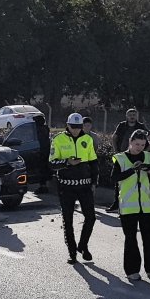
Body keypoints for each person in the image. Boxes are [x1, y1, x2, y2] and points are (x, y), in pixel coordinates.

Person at [112, 129, 150, 281]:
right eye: (136, 144)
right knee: (131, 239)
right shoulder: (120, 158)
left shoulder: (149, 156)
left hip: (146, 206)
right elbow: (114, 178)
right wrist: (132, 171)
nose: (139, 147)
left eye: (142, 144)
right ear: (130, 142)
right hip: (128, 206)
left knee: (149, 239)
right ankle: (132, 270)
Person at [49, 112, 98, 264]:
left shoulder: (87, 139)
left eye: (78, 127)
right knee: (67, 219)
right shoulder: (58, 139)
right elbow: (51, 163)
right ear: (67, 125)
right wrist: (67, 162)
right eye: (73, 127)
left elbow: (93, 162)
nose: (76, 130)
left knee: (91, 217)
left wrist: (94, 182)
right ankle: (72, 251)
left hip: (84, 185)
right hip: (66, 186)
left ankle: (83, 245)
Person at [108, 109, 148, 212]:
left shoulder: (141, 126)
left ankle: (139, 205)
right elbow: (114, 137)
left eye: (134, 114)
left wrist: (145, 151)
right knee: (119, 181)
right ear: (126, 115)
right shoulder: (122, 125)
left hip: (137, 157)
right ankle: (116, 204)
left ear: (137, 116)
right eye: (130, 114)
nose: (132, 116)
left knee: (137, 180)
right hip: (123, 156)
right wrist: (116, 151)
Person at [34, 115, 51, 193]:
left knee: (41, 170)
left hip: (41, 152)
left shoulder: (38, 130)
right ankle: (44, 186)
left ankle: (43, 187)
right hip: (46, 151)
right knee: (45, 169)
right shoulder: (45, 129)